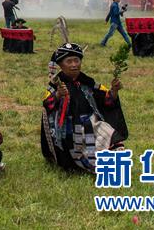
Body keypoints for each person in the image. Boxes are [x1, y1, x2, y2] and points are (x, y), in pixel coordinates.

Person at [41, 43, 128, 173]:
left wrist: (114, 91)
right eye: (69, 61)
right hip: (67, 127)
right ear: (61, 65)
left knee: (108, 132)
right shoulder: (55, 85)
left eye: (77, 60)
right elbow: (47, 105)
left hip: (92, 122)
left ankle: (114, 160)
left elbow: (107, 100)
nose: (74, 64)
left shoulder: (88, 82)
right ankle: (90, 165)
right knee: (77, 149)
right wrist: (58, 94)